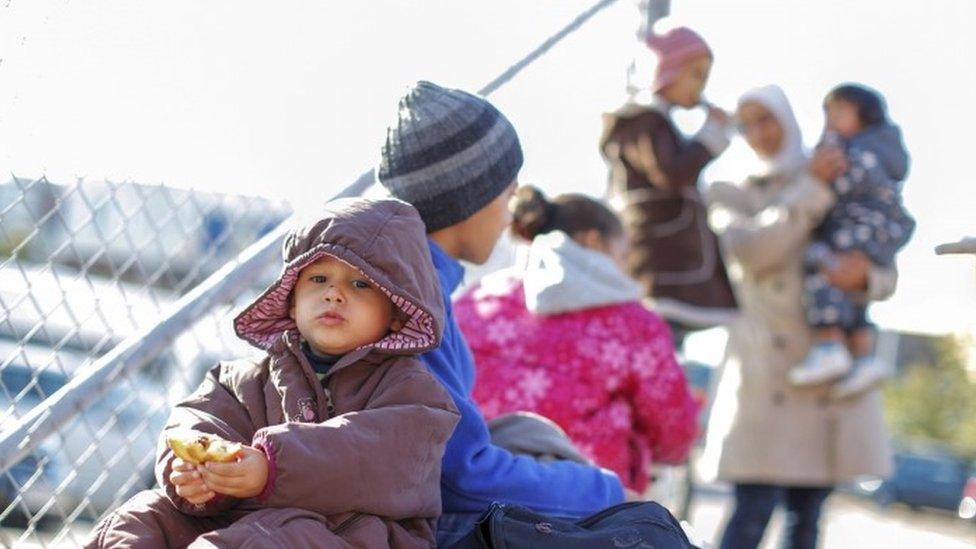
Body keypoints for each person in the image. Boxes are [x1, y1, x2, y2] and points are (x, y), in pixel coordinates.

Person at [85, 198, 460, 548]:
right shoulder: (241, 380)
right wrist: (196, 474)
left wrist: (273, 466)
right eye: (318, 279)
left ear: (396, 312)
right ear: (292, 300)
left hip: (352, 535)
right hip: (247, 521)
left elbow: (371, 456)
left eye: (360, 284)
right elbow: (198, 419)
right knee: (144, 516)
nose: (334, 294)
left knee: (272, 538)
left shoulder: (414, 394)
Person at [376, 81, 631, 547]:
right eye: (508, 193)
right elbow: (461, 478)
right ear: (471, 197)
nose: (511, 214)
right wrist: (607, 491)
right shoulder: (417, 300)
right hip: (405, 530)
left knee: (525, 434)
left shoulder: (404, 277)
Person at [702, 84, 895, 549]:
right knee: (751, 513)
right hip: (770, 375)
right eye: (746, 123)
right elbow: (752, 251)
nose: (758, 132)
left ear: (788, 119)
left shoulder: (838, 169)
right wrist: (812, 188)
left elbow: (881, 253)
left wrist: (867, 276)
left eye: (766, 119)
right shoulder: (732, 191)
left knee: (806, 521)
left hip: (830, 370)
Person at [453, 185, 700, 494]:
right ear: (592, 240)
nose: (624, 266)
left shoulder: (477, 300)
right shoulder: (632, 321)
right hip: (586, 501)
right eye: (622, 254)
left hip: (477, 486)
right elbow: (673, 427)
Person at [599, 25, 737, 341]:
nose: (701, 86)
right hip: (660, 267)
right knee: (658, 351)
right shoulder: (643, 121)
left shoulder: (655, 123)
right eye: (695, 74)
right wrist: (710, 136)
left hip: (670, 268)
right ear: (667, 69)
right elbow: (672, 173)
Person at [789, 84, 914, 398]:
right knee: (855, 298)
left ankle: (830, 344)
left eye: (838, 112)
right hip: (875, 232)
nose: (830, 120)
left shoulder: (856, 154)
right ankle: (865, 357)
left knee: (821, 264)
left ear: (865, 115)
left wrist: (818, 173)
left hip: (854, 228)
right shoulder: (885, 153)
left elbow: (843, 184)